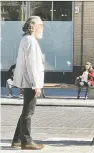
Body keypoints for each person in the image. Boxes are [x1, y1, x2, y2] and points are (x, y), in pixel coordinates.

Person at [11, 16, 45, 150]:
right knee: (28, 112)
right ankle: (26, 141)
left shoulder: (27, 39)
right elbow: (31, 65)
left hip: (28, 81)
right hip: (30, 81)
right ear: (34, 26)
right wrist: (36, 84)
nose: (42, 28)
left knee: (26, 111)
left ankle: (17, 140)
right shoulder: (30, 40)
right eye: (41, 25)